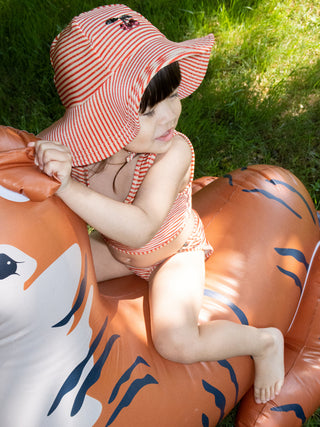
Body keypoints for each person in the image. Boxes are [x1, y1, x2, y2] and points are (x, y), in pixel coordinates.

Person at [30, 4, 284, 404]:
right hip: (117, 252)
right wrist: (42, 156)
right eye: (149, 110)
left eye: (173, 95)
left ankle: (263, 342)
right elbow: (26, 152)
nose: (170, 115)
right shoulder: (79, 148)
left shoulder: (172, 152)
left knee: (177, 342)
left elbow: (141, 227)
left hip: (171, 253)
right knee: (46, 279)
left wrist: (66, 188)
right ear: (101, 120)